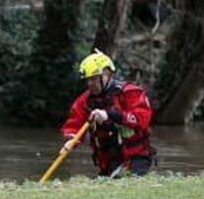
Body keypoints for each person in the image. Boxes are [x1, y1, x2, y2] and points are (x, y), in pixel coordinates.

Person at [60, 49, 154, 177]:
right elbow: (74, 123)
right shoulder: (84, 101)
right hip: (108, 161)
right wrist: (71, 138)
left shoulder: (130, 92)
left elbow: (141, 119)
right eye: (87, 80)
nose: (90, 83)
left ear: (106, 74)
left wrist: (110, 115)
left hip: (136, 158)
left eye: (93, 79)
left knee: (127, 181)